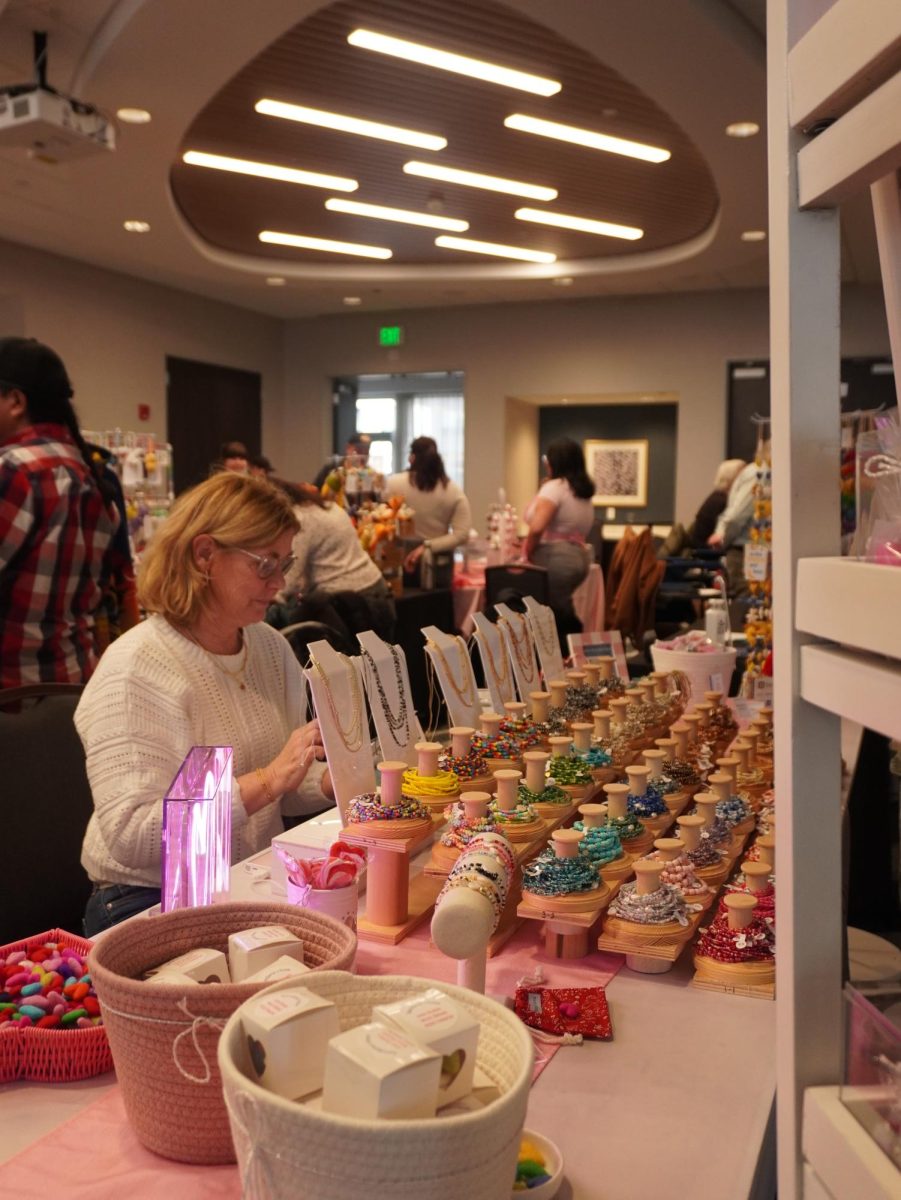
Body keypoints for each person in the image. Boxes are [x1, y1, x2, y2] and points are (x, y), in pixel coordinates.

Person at [76, 472, 333, 933]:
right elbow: (131, 835)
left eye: (285, 564)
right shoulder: (137, 668)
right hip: (145, 899)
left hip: (239, 882)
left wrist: (332, 781)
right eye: (264, 564)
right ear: (205, 554)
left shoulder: (270, 648)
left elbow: (282, 788)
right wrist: (269, 780)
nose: (279, 584)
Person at [0, 336, 121, 689]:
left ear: (16, 401)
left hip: (11, 691)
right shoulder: (91, 474)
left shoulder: (15, 469)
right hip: (72, 679)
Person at [274, 480, 396, 643]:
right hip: (377, 591)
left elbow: (287, 582)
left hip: (352, 605)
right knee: (380, 661)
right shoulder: (328, 506)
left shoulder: (300, 519)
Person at [523, 437, 596, 648]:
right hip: (580, 556)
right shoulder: (579, 489)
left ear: (554, 461)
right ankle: (572, 651)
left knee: (556, 614)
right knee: (561, 607)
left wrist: (528, 549)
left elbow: (537, 527)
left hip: (557, 558)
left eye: (547, 458)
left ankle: (566, 655)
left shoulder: (555, 487)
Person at [385, 436, 472, 574]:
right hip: (438, 564)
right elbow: (461, 534)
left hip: (400, 561)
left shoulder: (393, 484)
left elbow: (380, 517)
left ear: (411, 458)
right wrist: (428, 546)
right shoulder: (453, 490)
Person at [658, 458, 746, 556]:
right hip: (706, 550)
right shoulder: (721, 501)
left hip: (703, 547)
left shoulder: (717, 496)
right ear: (732, 478)